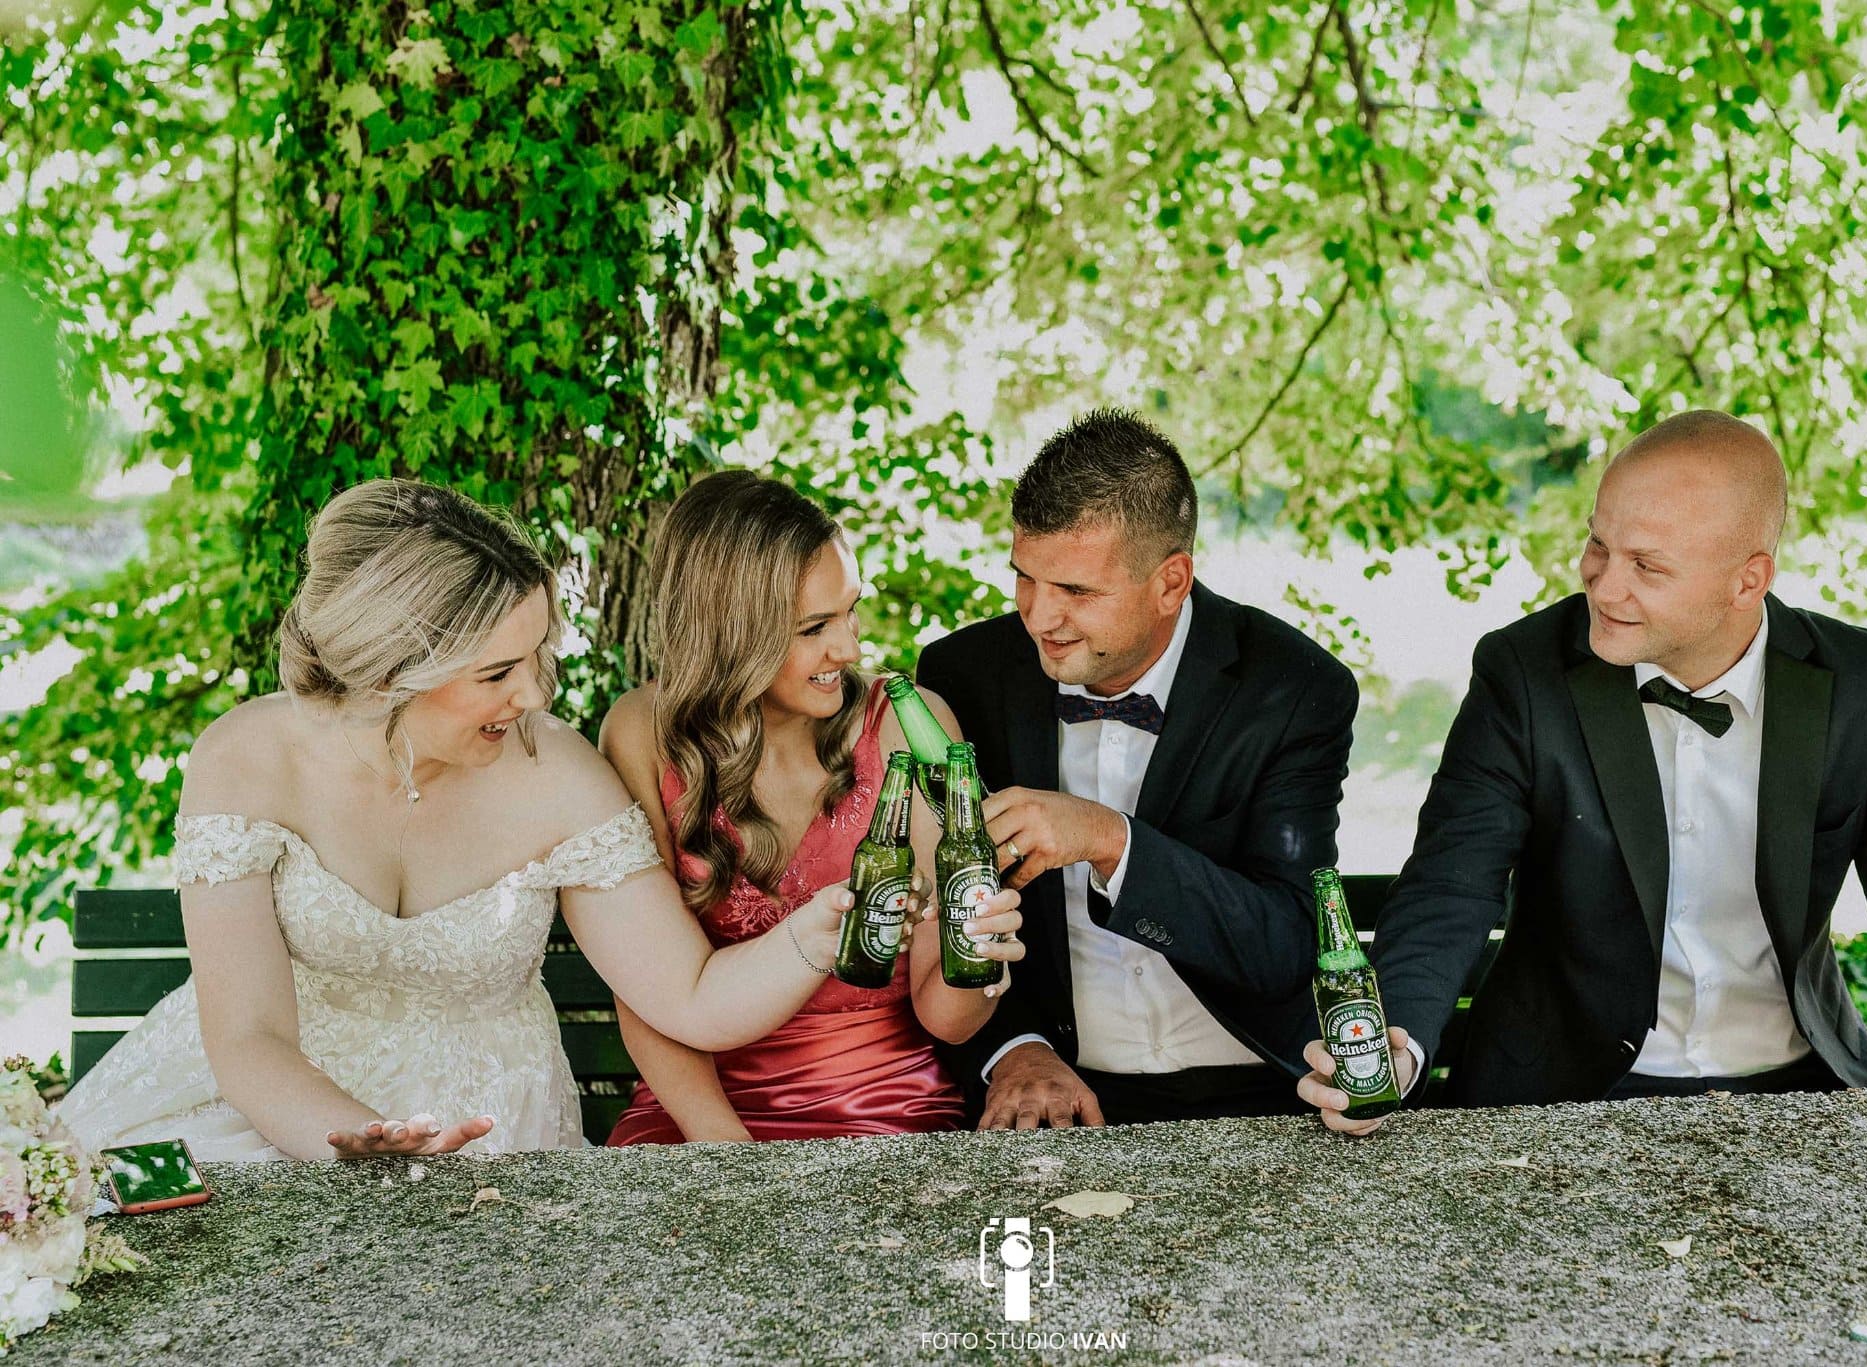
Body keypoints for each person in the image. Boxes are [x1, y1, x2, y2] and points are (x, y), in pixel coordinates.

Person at [60, 480, 857, 1160]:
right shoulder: (245, 759)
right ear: (392, 673)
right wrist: (358, 1141)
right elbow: (249, 1037)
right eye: (497, 672)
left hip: (485, 1130)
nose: (533, 695)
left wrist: (813, 935)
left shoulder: (558, 776)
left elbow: (689, 996)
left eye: (536, 656)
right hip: (268, 1105)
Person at [1299, 410, 1867, 1133]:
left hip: (1800, 1085)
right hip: (1563, 1091)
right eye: (1598, 544)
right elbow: (1450, 885)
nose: (1604, 587)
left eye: (1647, 566)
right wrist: (1395, 1049)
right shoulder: (1522, 672)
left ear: (1747, 581)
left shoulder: (1866, 684)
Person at [917, 408, 1358, 1128]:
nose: (1038, 616)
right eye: (1025, 577)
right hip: (1061, 1089)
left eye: (1077, 592)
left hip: (1261, 1087)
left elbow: (1285, 943)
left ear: (1170, 582)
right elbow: (946, 913)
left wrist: (1109, 840)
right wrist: (1017, 1050)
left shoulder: (1292, 687)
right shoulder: (963, 676)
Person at [601, 471, 1025, 1144]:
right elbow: (644, 989)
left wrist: (977, 954)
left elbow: (948, 1020)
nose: (850, 649)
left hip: (885, 1105)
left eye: (850, 610)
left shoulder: (906, 724)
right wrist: (725, 1150)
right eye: (813, 627)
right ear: (731, 632)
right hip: (697, 1107)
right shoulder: (643, 733)